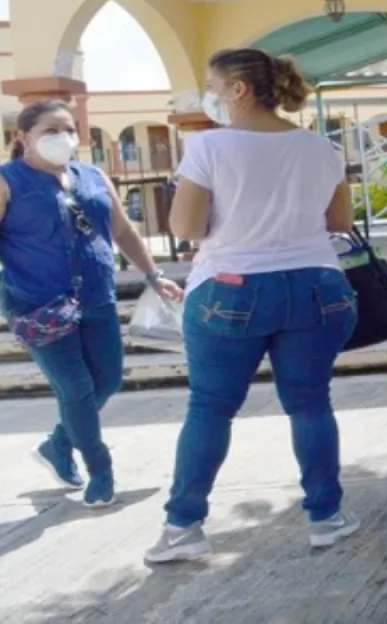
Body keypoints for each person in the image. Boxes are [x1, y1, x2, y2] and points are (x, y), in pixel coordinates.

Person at [144, 48, 359, 563]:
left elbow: (186, 229)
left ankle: (184, 527)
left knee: (211, 407)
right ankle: (326, 516)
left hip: (229, 287)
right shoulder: (321, 149)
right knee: (310, 403)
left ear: (239, 90)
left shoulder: (210, 147)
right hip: (317, 286)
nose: (211, 97)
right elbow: (340, 223)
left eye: (214, 87)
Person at [0, 100, 183, 507]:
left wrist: (154, 275)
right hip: (38, 303)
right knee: (77, 388)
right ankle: (100, 470)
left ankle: (57, 444)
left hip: (97, 295)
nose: (63, 137)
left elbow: (123, 231)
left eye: (69, 129)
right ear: (23, 137)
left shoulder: (93, 176)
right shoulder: (8, 181)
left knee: (109, 380)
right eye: (50, 130)